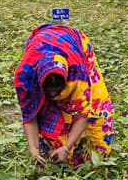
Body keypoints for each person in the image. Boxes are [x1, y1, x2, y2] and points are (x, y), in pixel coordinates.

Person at [14, 24, 114, 166]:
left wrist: (67, 148)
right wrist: (33, 148)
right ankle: (50, 148)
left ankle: (85, 154)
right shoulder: (25, 78)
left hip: (76, 45)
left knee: (95, 106)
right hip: (40, 45)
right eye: (49, 92)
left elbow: (84, 114)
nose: (54, 95)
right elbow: (29, 115)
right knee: (42, 107)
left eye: (58, 91)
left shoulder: (77, 73)